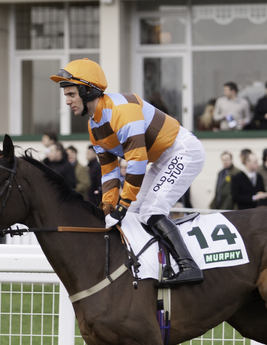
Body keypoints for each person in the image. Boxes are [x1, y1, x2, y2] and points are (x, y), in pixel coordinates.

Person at [52, 58, 205, 285]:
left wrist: (121, 206)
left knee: (151, 211)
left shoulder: (121, 110)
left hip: (183, 151)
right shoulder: (93, 126)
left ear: (87, 91)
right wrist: (108, 208)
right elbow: (109, 171)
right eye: (66, 95)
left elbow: (136, 161)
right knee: (132, 215)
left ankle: (188, 265)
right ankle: (148, 266)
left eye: (71, 94)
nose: (67, 101)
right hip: (160, 159)